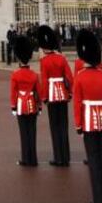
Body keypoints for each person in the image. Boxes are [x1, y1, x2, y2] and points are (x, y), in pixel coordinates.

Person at [73, 29, 102, 203]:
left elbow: (78, 104)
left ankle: (99, 202)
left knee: (94, 161)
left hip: (89, 121)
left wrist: (79, 126)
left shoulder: (81, 77)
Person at [37, 25, 73, 166]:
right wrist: (69, 93)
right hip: (63, 95)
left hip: (52, 96)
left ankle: (58, 157)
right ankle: (66, 156)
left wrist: (44, 97)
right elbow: (69, 77)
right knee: (63, 126)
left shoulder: (44, 61)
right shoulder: (62, 59)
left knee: (55, 126)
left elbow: (44, 81)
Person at [9, 35, 39, 167]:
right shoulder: (34, 75)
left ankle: (25, 158)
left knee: (24, 132)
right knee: (32, 132)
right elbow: (38, 91)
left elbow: (13, 93)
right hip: (32, 104)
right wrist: (39, 107)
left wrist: (13, 107)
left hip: (21, 105)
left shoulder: (16, 75)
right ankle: (33, 159)